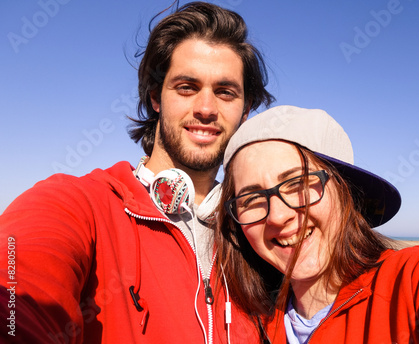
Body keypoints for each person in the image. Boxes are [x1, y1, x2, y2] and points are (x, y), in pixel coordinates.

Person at [0, 2, 274, 343]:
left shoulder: (259, 237)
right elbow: (17, 293)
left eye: (225, 92)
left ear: (245, 110)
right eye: (187, 87)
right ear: (156, 97)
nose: (206, 108)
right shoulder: (78, 204)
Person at [215, 105, 419, 343]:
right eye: (251, 199)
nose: (277, 216)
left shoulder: (415, 284)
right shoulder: (245, 321)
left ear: (346, 189)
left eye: (298, 183)